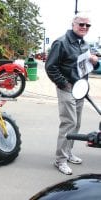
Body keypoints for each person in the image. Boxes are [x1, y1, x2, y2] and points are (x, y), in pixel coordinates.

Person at [45, 13, 100, 175]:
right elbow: (50, 67)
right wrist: (64, 83)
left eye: (87, 25)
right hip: (67, 88)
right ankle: (60, 160)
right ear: (73, 24)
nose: (84, 27)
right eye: (81, 24)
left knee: (76, 124)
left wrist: (95, 63)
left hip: (81, 89)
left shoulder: (84, 44)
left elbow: (86, 66)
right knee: (69, 123)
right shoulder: (61, 43)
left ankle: (68, 153)